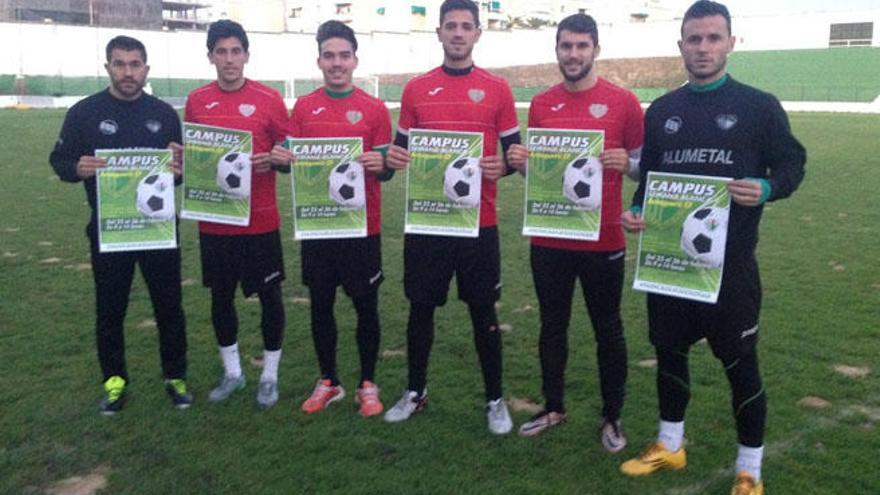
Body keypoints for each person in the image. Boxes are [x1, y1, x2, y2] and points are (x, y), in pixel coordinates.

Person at [618, 2, 806, 494]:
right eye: (694, 39)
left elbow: (792, 163)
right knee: (669, 354)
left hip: (731, 270)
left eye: (712, 38)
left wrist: (766, 188)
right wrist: (638, 211)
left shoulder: (758, 106)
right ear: (680, 45)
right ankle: (670, 444)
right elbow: (651, 181)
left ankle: (750, 469)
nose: (703, 48)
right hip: (670, 264)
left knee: (741, 366)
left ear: (730, 43)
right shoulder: (662, 111)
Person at [382, 0, 521, 435]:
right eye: (451, 26)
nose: (458, 33)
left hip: (479, 223)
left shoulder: (497, 89)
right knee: (421, 309)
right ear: (439, 33)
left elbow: (514, 152)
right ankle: (415, 392)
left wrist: (507, 164)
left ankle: (495, 400)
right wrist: (393, 157)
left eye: (466, 26)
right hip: (428, 222)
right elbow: (396, 150)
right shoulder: (416, 89)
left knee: (483, 311)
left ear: (478, 33)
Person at [505, 13, 643, 450]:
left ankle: (612, 417)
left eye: (582, 46)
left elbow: (645, 166)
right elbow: (543, 176)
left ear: (596, 50)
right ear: (557, 50)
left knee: (608, 329)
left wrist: (629, 163)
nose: (574, 54)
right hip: (550, 239)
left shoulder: (624, 103)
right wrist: (527, 166)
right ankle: (553, 407)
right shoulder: (543, 104)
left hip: (603, 240)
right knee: (552, 327)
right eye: (566, 46)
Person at [49, 35, 190, 415]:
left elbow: (174, 175)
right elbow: (59, 160)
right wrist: (75, 169)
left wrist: (178, 169)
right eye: (120, 64)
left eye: (135, 64)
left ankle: (175, 377)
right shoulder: (84, 112)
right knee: (110, 310)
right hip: (109, 231)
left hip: (158, 230)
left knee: (169, 307)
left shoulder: (163, 114)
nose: (128, 72)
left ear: (146, 69)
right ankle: (114, 381)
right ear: (108, 66)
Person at [270, 21, 393, 417]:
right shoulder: (304, 107)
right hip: (319, 226)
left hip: (362, 228)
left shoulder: (374, 109)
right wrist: (281, 157)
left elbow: (387, 167)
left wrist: (382, 163)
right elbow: (289, 156)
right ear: (319, 60)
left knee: (365, 307)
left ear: (355, 60)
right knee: (320, 305)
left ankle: (367, 384)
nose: (337, 63)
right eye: (329, 56)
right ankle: (329, 381)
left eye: (344, 55)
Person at [184, 20, 290, 409]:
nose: (229, 59)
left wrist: (278, 158)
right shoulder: (197, 100)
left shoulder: (269, 98)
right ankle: (232, 373)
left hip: (260, 220)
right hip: (215, 221)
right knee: (221, 298)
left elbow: (289, 147)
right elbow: (195, 155)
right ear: (210, 56)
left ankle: (269, 376)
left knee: (270, 298)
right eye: (221, 52)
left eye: (236, 51)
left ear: (246, 54)